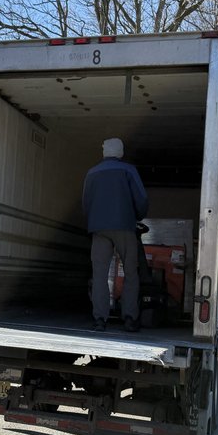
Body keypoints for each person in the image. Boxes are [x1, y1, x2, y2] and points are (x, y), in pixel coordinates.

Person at [82, 137, 149, 333]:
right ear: (120, 152)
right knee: (130, 272)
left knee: (100, 274)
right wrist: (137, 215)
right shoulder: (128, 170)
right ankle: (129, 318)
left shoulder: (92, 172)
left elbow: (86, 202)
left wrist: (94, 221)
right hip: (124, 227)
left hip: (99, 229)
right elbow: (141, 198)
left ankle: (100, 320)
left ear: (104, 152)